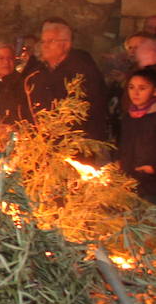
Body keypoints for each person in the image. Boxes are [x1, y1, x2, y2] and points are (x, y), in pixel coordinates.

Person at [21, 18, 109, 146]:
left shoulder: (83, 71)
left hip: (73, 145)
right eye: (43, 41)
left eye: (51, 41)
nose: (44, 45)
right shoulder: (36, 72)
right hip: (40, 144)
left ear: (66, 44)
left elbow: (92, 110)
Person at [118, 67, 156, 204]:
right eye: (131, 87)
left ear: (154, 90)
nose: (136, 93)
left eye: (142, 88)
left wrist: (152, 169)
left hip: (152, 186)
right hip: (130, 183)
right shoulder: (128, 117)